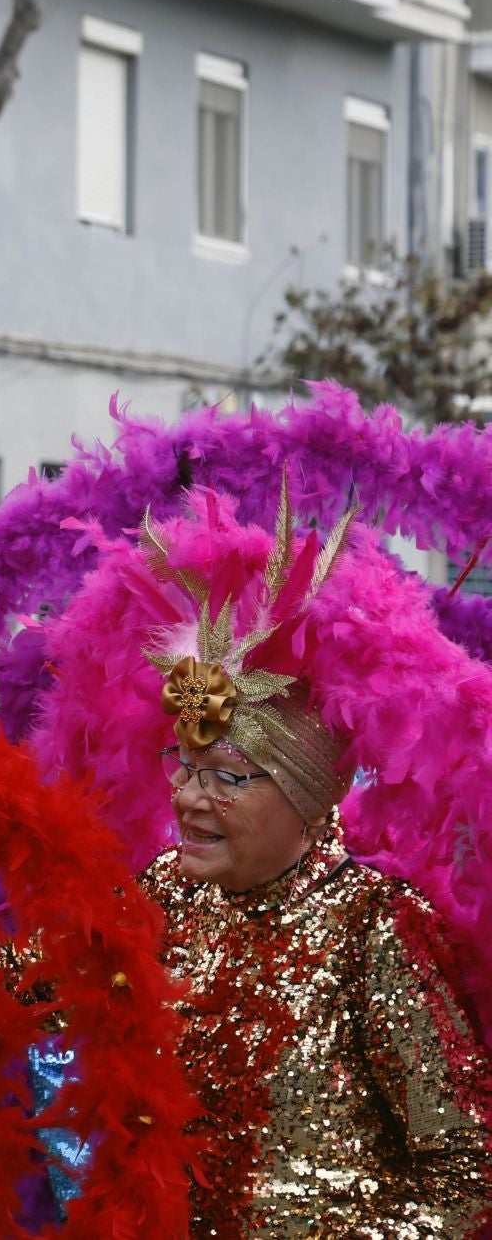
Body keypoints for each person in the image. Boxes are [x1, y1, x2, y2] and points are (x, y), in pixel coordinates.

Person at [31, 487, 492, 1233]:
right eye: (183, 766)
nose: (189, 797)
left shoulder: (381, 928)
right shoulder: (165, 890)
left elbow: (466, 1167)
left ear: (308, 798)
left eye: (227, 777)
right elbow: (37, 974)